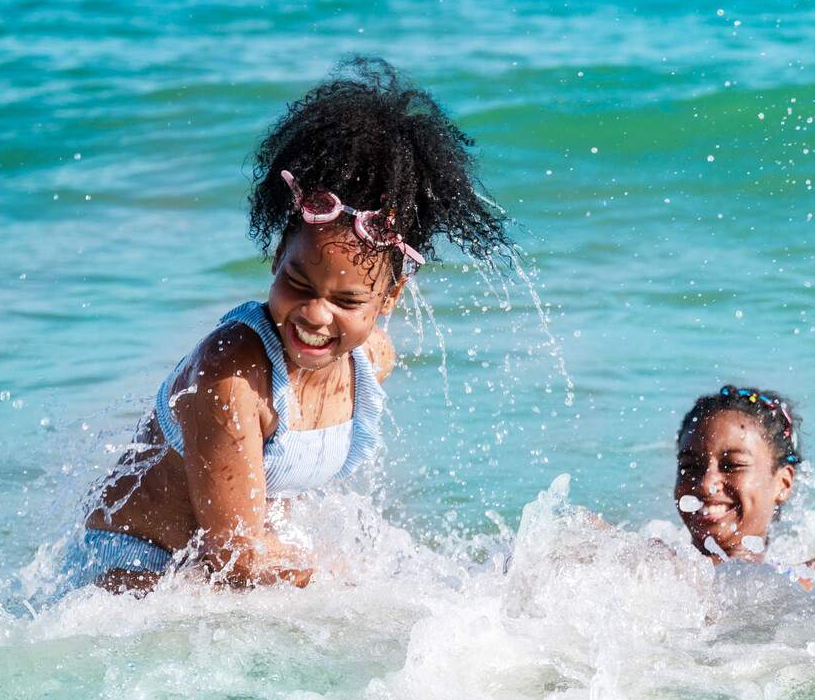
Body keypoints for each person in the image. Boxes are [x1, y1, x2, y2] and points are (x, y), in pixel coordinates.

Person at [66, 57, 509, 594]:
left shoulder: (371, 362)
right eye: (299, 284)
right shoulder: (230, 376)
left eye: (347, 299)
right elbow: (237, 561)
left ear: (389, 295)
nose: (316, 314)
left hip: (203, 575)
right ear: (277, 256)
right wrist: (373, 588)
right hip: (133, 575)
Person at [673, 385, 815, 582]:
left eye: (733, 465)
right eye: (689, 466)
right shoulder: (651, 568)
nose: (705, 484)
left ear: (783, 484)